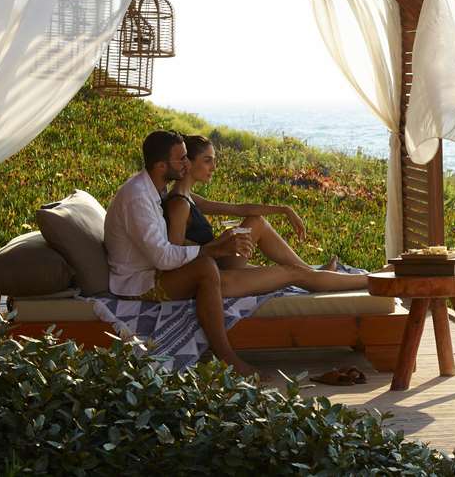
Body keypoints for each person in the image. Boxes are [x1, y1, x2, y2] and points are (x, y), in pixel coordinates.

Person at [105, 130, 257, 375]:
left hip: (154, 269)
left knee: (208, 263)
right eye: (182, 159)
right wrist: (212, 249)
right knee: (206, 267)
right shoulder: (137, 198)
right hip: (137, 282)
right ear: (161, 166)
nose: (187, 163)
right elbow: (162, 258)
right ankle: (226, 356)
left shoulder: (156, 189)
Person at [162, 135, 368, 294]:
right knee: (294, 273)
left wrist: (285, 210)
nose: (214, 167)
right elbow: (174, 261)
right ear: (188, 163)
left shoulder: (188, 197)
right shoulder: (179, 204)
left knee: (256, 220)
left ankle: (314, 273)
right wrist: (219, 246)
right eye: (207, 160)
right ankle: (370, 280)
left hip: (218, 265)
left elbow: (240, 209)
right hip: (213, 276)